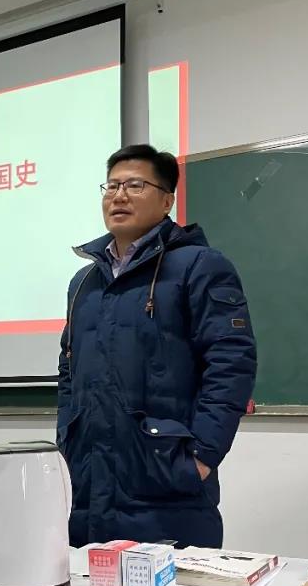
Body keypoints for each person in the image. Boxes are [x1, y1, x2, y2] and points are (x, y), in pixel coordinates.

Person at [56, 144, 257, 548]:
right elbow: (68, 371)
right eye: (111, 186)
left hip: (167, 482)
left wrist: (201, 456)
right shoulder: (84, 282)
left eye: (135, 185)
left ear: (167, 200)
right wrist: (67, 436)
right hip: (88, 485)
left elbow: (231, 364)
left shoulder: (200, 266)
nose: (119, 195)